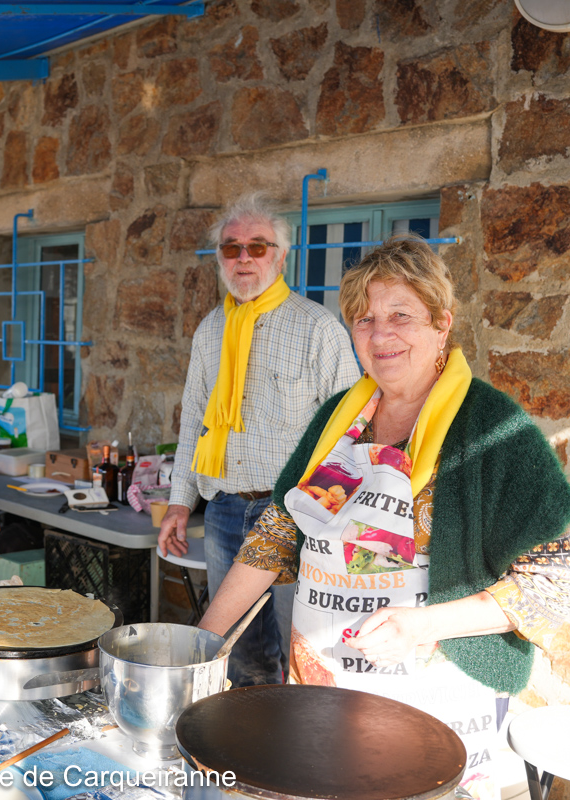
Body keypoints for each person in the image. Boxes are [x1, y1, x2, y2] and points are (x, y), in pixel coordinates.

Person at [198, 234, 570, 800]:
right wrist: (200, 645)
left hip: (434, 696)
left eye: (401, 315)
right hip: (322, 684)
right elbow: (278, 534)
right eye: (364, 319)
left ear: (442, 325)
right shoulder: (341, 417)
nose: (380, 336)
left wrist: (421, 626)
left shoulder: (494, 428)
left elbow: (549, 586)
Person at [158, 192, 360, 687]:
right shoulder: (211, 330)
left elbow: (351, 431)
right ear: (220, 258)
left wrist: (331, 519)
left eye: (257, 246)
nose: (244, 257)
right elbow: (194, 422)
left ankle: (295, 733)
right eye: (231, 248)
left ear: (281, 256)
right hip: (225, 511)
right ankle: (244, 732)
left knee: (300, 646)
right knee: (236, 650)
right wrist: (180, 502)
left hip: (296, 513)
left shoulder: (318, 328)